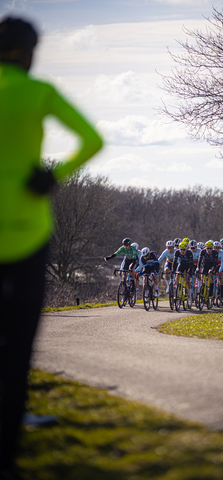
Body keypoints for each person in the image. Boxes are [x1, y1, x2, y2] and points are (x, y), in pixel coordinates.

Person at [0, 16, 104, 480]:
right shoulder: (39, 91)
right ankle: (9, 440)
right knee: (19, 343)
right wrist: (53, 175)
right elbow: (92, 140)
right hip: (27, 231)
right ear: (30, 53)